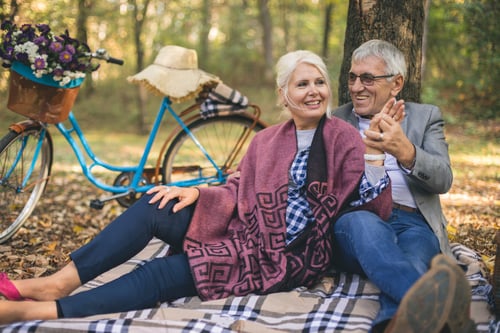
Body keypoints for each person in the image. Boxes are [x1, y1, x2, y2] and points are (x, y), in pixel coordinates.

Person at [0, 48, 393, 325]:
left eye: (319, 82)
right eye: (302, 84)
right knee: (158, 202)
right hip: (246, 228)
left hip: (283, 255)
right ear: (284, 96)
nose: (313, 91)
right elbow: (239, 187)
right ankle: (57, 283)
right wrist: (199, 195)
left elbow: (366, 205)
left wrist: (375, 156)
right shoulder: (267, 140)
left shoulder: (341, 137)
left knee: (161, 274)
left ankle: (35, 312)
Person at [332, 39, 476, 332]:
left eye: (368, 78)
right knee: (364, 223)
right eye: (353, 77)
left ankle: (392, 324)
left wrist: (406, 151)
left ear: (396, 83)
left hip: (413, 223)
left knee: (413, 259)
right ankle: (446, 316)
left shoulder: (425, 117)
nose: (357, 86)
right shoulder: (336, 120)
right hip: (358, 222)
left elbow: (443, 179)